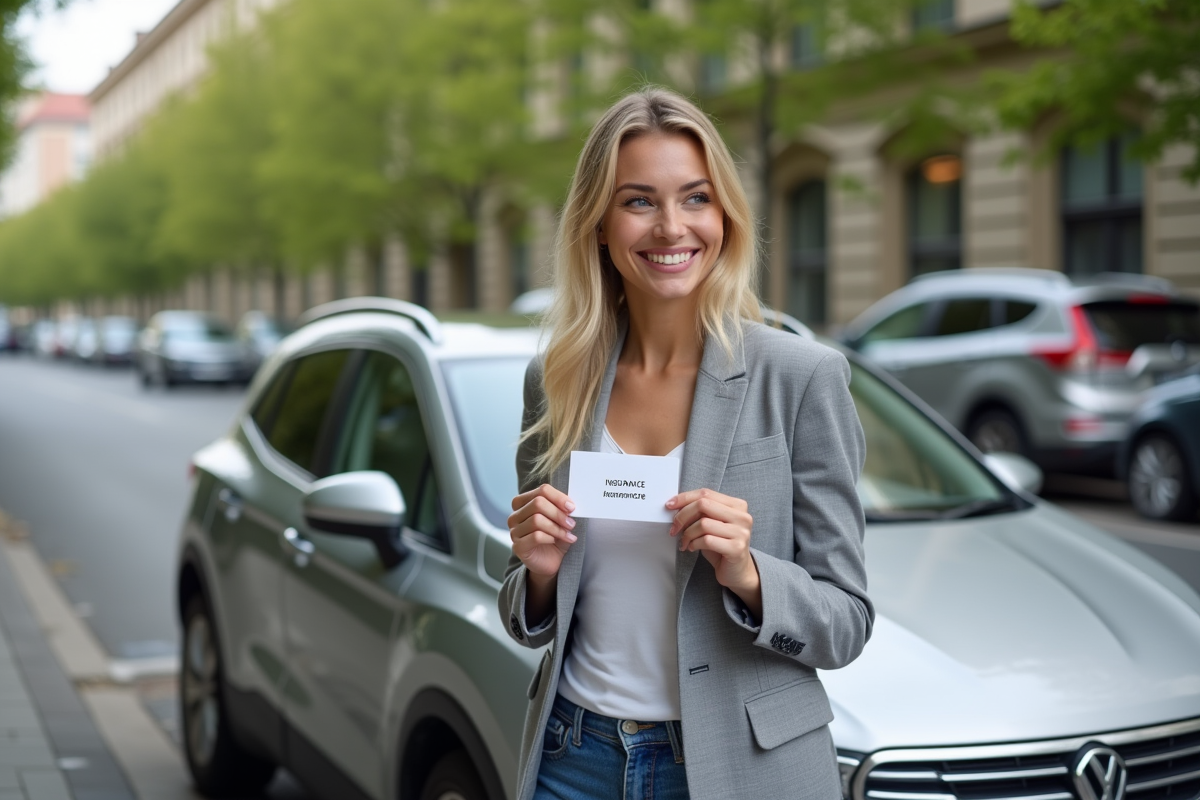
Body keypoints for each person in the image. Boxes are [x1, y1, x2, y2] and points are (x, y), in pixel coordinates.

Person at [498, 87, 872, 800]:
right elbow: (524, 609)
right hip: (573, 757)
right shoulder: (557, 382)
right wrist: (539, 572)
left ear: (724, 217)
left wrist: (749, 573)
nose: (672, 227)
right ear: (599, 225)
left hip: (738, 765)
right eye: (639, 201)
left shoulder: (801, 377)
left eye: (695, 198)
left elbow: (847, 621)